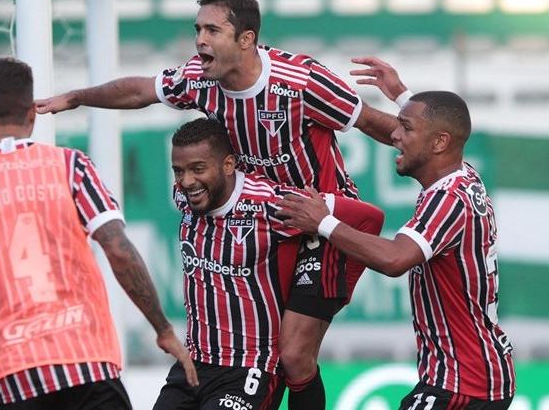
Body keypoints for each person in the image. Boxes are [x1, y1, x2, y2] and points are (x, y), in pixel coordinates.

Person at [36, 0, 404, 407]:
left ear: (246, 39)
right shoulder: (198, 78)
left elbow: (376, 123)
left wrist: (435, 158)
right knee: (258, 343)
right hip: (259, 218)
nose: (200, 40)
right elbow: (141, 90)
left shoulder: (301, 81)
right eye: (197, 29)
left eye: (212, 30)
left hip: (316, 220)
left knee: (295, 354)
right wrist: (78, 97)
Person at [0, 58, 198, 410]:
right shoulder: (71, 166)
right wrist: (163, 328)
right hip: (87, 362)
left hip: (12, 374)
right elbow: (118, 249)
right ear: (32, 113)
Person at [276, 90, 516, 409]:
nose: (395, 134)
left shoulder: (449, 199)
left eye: (406, 127)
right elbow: (443, 123)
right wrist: (402, 94)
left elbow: (394, 259)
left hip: (464, 384)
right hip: (473, 376)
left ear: (439, 143)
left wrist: (324, 222)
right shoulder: (464, 176)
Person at [153, 118, 383, 409]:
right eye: (178, 171)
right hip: (192, 364)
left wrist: (332, 298)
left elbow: (369, 219)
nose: (186, 181)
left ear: (227, 165)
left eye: (198, 169)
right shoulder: (185, 197)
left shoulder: (272, 203)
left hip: (248, 369)